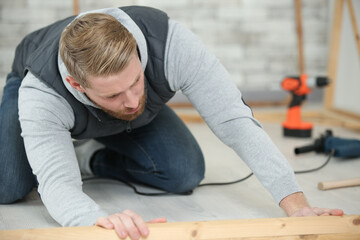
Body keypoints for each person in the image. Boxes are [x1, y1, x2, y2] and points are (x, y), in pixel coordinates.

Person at [0, 6, 343, 240]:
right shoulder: (42, 91)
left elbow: (235, 122)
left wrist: (297, 205)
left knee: (184, 172)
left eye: (136, 82)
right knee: (11, 186)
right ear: (78, 85)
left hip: (112, 114)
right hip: (34, 85)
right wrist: (93, 218)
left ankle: (88, 154)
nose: (133, 101)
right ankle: (59, 142)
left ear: (137, 51)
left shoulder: (173, 45)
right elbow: (59, 186)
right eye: (114, 95)